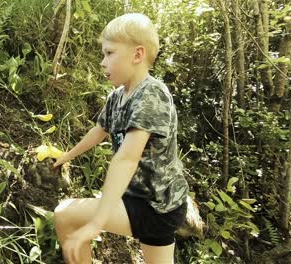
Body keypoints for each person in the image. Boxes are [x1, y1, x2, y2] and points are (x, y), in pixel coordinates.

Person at [53, 13, 189, 264]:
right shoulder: (117, 96)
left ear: (137, 55)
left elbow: (126, 159)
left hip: (155, 206)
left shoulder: (151, 94)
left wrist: (96, 222)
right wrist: (66, 156)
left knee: (65, 215)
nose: (103, 62)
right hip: (148, 201)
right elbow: (99, 130)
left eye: (110, 53)